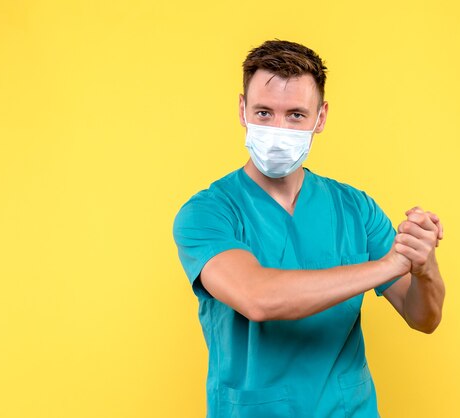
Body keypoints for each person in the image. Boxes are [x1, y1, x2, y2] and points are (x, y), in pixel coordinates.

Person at [172, 39, 446, 418]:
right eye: (264, 113)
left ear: (320, 118)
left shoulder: (355, 209)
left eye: (296, 115)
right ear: (242, 109)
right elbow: (257, 298)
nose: (278, 128)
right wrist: (389, 265)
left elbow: (424, 318)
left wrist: (423, 264)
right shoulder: (208, 213)